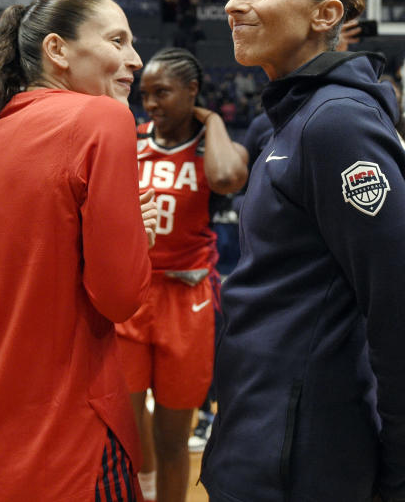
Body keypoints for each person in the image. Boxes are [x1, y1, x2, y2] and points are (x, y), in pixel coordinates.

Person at [201, 0, 405, 502]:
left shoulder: (335, 125)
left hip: (295, 463)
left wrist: (395, 475)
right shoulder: (293, 116)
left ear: (325, 15)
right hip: (264, 435)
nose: (235, 5)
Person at [0, 0, 152, 501]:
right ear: (58, 50)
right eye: (117, 40)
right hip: (68, 442)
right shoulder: (104, 119)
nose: (135, 59)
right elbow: (121, 296)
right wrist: (138, 233)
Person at [116, 48, 248, 502]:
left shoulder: (214, 147)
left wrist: (209, 121)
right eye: (146, 94)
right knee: (127, 433)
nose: (150, 103)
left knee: (173, 439)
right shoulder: (129, 139)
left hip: (188, 299)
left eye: (163, 93)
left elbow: (230, 178)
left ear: (192, 92)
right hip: (131, 293)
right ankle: (143, 490)